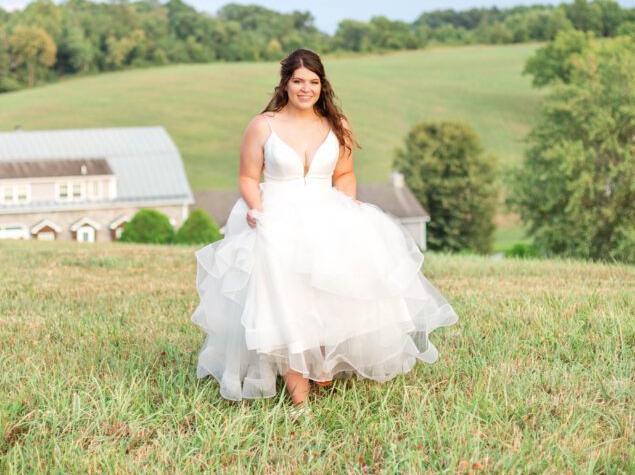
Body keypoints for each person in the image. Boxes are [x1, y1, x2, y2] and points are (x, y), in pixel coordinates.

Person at [191, 48, 458, 417]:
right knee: (284, 301)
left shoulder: (337, 125)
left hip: (326, 212)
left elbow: (345, 175)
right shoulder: (263, 125)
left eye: (313, 82)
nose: (306, 88)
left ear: (322, 85)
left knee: (326, 297)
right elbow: (248, 177)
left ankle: (323, 368)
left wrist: (347, 207)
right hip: (277, 217)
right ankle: (299, 401)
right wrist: (256, 208)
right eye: (298, 81)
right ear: (285, 84)